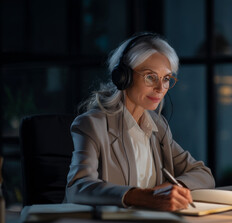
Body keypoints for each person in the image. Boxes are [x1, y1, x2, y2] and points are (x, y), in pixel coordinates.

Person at [64, 32, 215, 211]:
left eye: (166, 79)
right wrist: (140, 197)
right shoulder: (92, 125)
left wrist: (173, 188)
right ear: (123, 77)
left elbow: (204, 175)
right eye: (150, 76)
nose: (160, 88)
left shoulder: (158, 127)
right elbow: (77, 187)